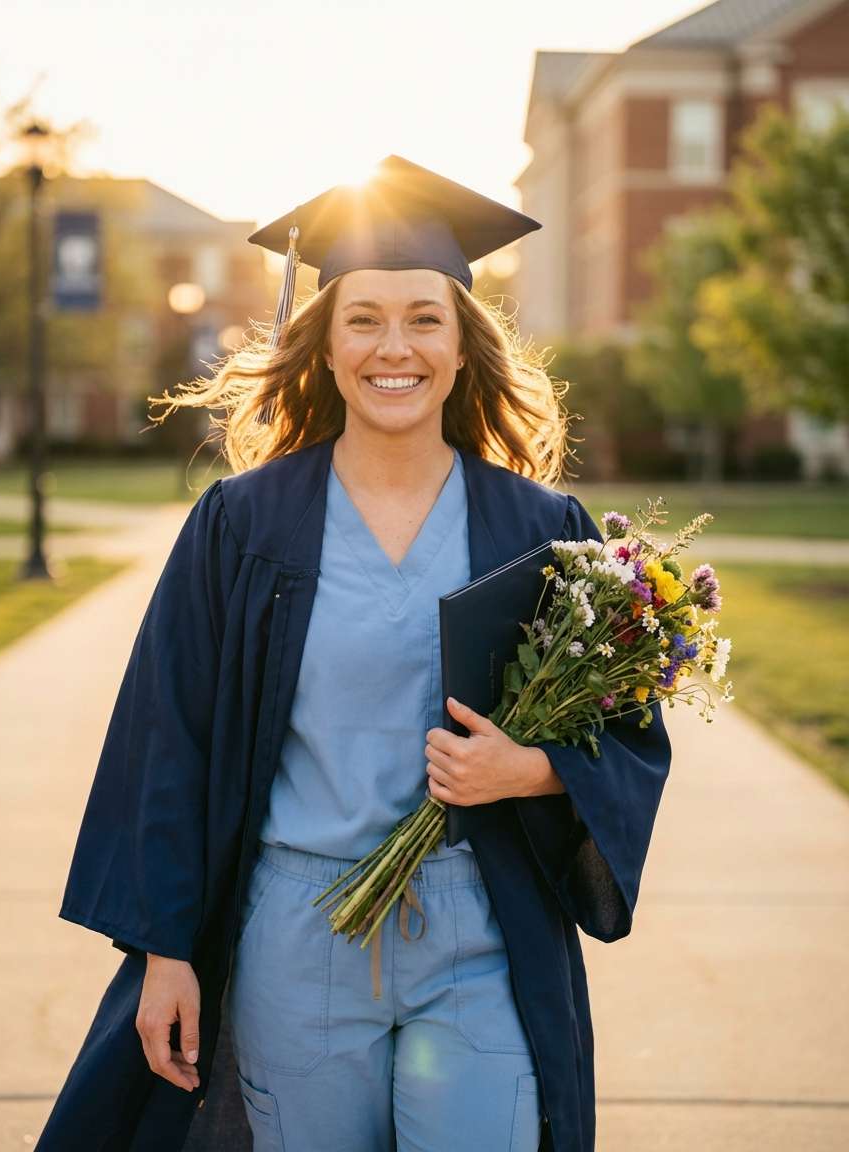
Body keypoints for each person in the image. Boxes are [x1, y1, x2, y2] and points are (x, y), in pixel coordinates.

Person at [35, 156, 672, 1152]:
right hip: (300, 931)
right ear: (325, 348)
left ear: (464, 347)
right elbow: (169, 737)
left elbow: (628, 729)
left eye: (425, 318)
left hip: (479, 932)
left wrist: (531, 769)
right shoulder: (245, 525)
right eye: (362, 318)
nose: (395, 347)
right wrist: (165, 952)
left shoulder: (538, 530)